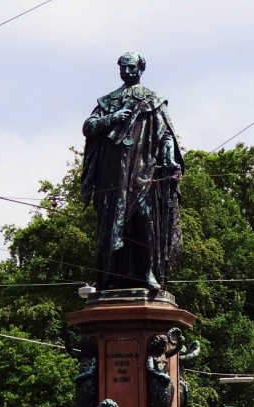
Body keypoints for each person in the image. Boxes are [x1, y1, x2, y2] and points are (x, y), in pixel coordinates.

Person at [81, 51, 183, 293]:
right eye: (123, 68)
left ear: (141, 69)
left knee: (144, 220)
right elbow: (88, 127)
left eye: (131, 68)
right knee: (112, 224)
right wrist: (112, 118)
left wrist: (168, 158)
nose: (127, 72)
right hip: (112, 173)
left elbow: (167, 134)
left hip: (142, 170)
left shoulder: (153, 100)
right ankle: (110, 276)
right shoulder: (108, 101)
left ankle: (147, 272)